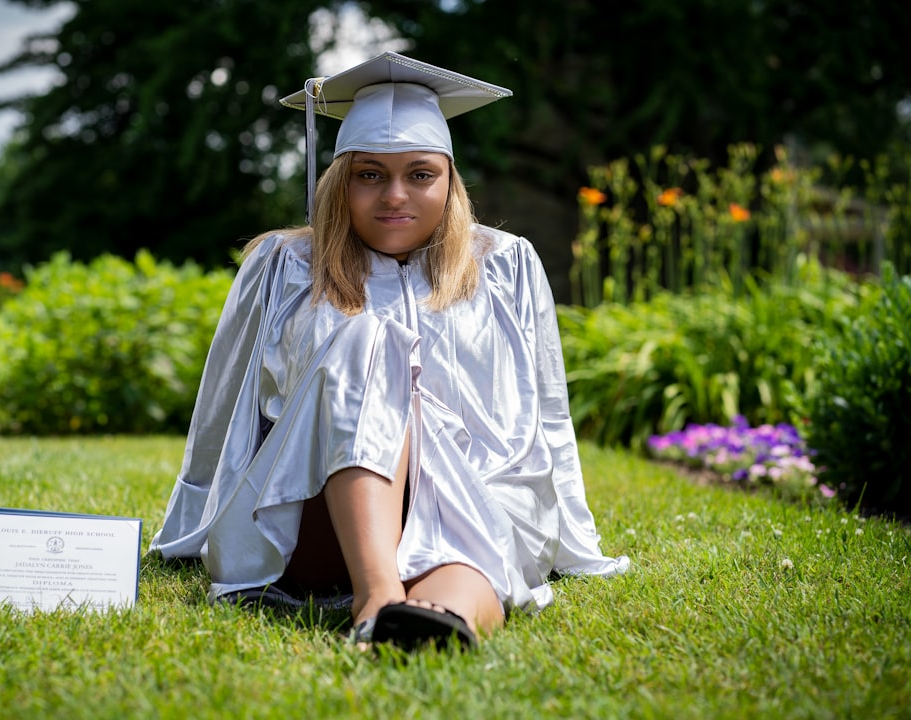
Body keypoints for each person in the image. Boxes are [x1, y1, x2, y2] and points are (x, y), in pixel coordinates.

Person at [150, 52, 628, 651]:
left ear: (450, 182)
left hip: (474, 498)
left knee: (471, 549)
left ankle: (433, 621)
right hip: (316, 510)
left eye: (420, 174)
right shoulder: (285, 265)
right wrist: (196, 524)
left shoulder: (504, 264)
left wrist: (572, 537)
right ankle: (378, 595)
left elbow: (545, 411)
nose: (394, 196)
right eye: (370, 174)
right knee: (369, 338)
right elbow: (229, 409)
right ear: (339, 181)